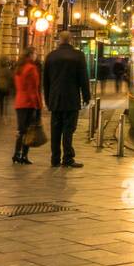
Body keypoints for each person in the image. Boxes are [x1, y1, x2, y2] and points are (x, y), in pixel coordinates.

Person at [42, 31, 91, 168]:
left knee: (55, 129)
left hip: (55, 99)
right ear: (71, 40)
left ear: (59, 40)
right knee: (69, 129)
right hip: (71, 99)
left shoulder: (51, 56)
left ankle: (55, 158)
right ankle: (68, 158)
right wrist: (86, 96)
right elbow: (83, 78)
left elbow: (45, 81)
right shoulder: (78, 56)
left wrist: (47, 99)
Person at [12, 48, 41, 164]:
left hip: (19, 102)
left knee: (21, 130)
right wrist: (38, 104)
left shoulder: (19, 68)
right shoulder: (31, 68)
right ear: (30, 55)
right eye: (35, 54)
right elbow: (33, 88)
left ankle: (16, 154)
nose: (36, 56)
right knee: (29, 130)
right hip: (29, 103)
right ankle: (24, 155)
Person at [0, 56, 14, 121]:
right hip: (5, 86)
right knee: (6, 100)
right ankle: (4, 113)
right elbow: (10, 78)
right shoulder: (7, 70)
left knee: (1, 100)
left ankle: (1, 112)